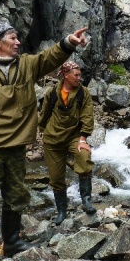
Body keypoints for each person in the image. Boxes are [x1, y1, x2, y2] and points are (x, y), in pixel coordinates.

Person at [0, 14, 88, 259]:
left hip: (16, 147)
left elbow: (50, 57)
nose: (18, 42)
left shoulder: (26, 65)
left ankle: (11, 242)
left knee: (17, 195)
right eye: (12, 38)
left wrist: (69, 42)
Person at [38, 61, 96, 226]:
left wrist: (83, 138)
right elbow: (44, 114)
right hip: (53, 140)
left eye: (80, 75)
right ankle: (62, 211)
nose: (79, 78)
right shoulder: (52, 93)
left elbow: (87, 116)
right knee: (56, 178)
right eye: (76, 75)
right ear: (66, 75)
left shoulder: (83, 93)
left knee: (84, 158)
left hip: (73, 137)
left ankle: (86, 200)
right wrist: (43, 132)